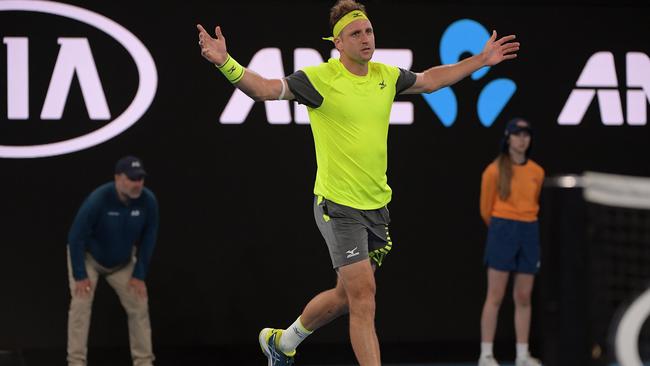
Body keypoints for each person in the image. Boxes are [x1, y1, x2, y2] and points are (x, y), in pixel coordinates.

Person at [197, 1, 519, 364]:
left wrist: (480, 60)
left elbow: (431, 80)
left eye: (368, 31)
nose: (365, 39)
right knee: (365, 298)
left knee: (345, 297)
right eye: (355, 33)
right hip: (337, 205)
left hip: (376, 207)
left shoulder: (386, 76)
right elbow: (266, 90)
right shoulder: (318, 80)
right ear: (338, 43)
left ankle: (283, 342)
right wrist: (225, 62)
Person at [66, 156, 159, 366]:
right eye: (132, 179)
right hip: (89, 259)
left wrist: (139, 274)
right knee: (81, 305)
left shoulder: (148, 200)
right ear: (118, 178)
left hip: (123, 262)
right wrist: (80, 274)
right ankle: (76, 361)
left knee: (139, 304)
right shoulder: (98, 199)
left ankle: (144, 361)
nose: (138, 184)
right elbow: (75, 237)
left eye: (141, 179)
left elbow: (150, 237)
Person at [478, 118, 545, 366]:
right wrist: (502, 228)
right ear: (508, 138)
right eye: (517, 134)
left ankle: (522, 355)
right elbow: (486, 209)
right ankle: (486, 354)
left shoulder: (537, 171)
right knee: (495, 295)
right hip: (502, 229)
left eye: (526, 135)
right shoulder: (493, 171)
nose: (522, 139)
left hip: (529, 230)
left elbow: (534, 201)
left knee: (524, 295)